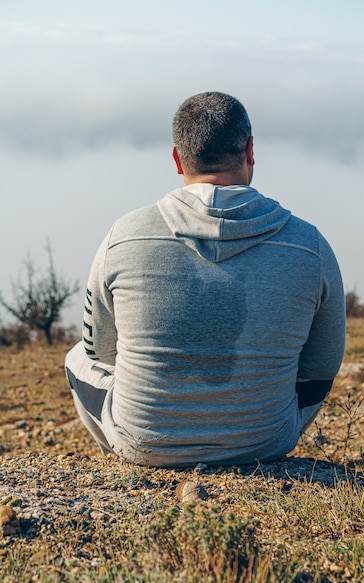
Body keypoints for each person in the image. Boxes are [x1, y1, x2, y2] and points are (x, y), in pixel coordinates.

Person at [65, 91, 346, 467]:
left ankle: (122, 461)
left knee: (75, 357)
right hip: (265, 444)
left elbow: (100, 351)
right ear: (249, 151)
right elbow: (323, 366)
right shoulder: (309, 245)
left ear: (178, 159)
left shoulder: (125, 235)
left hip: (145, 443)